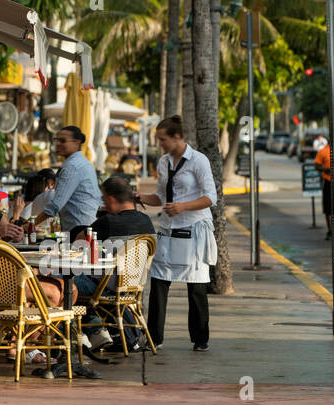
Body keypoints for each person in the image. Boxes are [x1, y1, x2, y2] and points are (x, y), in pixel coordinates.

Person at [137, 116, 217, 352]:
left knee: (196, 286)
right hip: (169, 229)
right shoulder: (163, 163)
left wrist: (183, 206)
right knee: (159, 281)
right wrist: (141, 197)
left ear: (176, 137)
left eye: (163, 139)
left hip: (193, 229)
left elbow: (211, 197)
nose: (160, 143)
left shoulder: (198, 161)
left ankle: (200, 339)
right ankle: (155, 337)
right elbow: (161, 197)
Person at [71, 175, 155, 350]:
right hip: (133, 286)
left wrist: (99, 220)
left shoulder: (108, 222)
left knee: (63, 283)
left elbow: (79, 241)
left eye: (104, 199)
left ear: (110, 199)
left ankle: (90, 331)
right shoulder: (147, 221)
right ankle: (97, 331)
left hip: (106, 285)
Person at [26, 127, 103, 233]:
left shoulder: (72, 167)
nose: (58, 144)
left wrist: (29, 225)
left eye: (63, 141)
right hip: (85, 227)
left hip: (79, 230)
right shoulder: (84, 163)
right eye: (56, 140)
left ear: (76, 143)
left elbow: (55, 205)